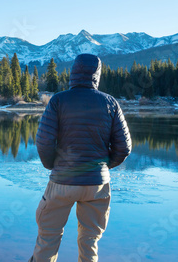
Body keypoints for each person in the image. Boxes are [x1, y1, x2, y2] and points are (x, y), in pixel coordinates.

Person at [29, 53, 132, 262]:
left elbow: (43, 141)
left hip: (62, 181)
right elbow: (124, 148)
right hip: (97, 185)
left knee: (48, 236)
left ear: (73, 73)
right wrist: (102, 166)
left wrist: (52, 166)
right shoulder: (110, 103)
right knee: (90, 240)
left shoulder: (58, 100)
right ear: (97, 75)